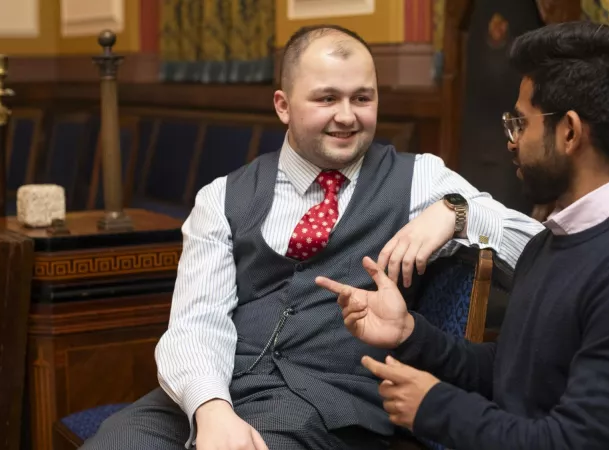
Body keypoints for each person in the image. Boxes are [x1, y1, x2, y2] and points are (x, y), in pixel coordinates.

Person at [81, 24, 543, 450]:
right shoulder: (222, 196)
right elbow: (196, 321)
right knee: (117, 441)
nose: (347, 116)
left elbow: (543, 256)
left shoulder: (419, 178)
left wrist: (457, 212)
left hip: (331, 411)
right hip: (215, 388)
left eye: (363, 98)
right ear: (283, 104)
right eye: (327, 99)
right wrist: (210, 409)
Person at [318, 21, 609, 450]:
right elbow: (512, 372)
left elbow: (570, 442)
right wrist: (410, 333)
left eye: (519, 124)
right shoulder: (551, 241)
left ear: (569, 132)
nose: (511, 142)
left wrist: (434, 406)